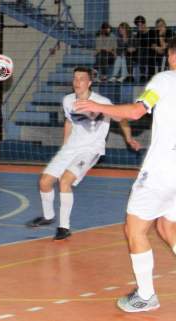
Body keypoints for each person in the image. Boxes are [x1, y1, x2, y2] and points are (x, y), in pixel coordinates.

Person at [74, 37, 176, 312]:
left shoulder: (166, 79)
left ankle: (145, 295)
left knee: (134, 229)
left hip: (163, 170)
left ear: (171, 56)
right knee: (167, 227)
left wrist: (97, 106)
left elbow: (135, 111)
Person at [26, 66, 141, 240]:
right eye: (75, 79)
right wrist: (65, 145)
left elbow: (122, 118)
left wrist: (129, 138)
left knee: (65, 181)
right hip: (71, 148)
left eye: (81, 79)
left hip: (90, 149)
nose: (77, 82)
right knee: (44, 182)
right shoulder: (67, 100)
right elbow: (69, 121)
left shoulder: (102, 102)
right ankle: (48, 216)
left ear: (89, 82)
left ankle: (64, 228)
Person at [133, 15, 156, 82]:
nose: (140, 27)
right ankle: (142, 75)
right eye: (138, 26)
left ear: (144, 24)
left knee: (147, 53)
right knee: (141, 51)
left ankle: (150, 75)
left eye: (141, 25)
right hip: (142, 52)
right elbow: (137, 45)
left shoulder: (152, 32)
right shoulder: (138, 34)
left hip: (151, 51)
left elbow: (153, 45)